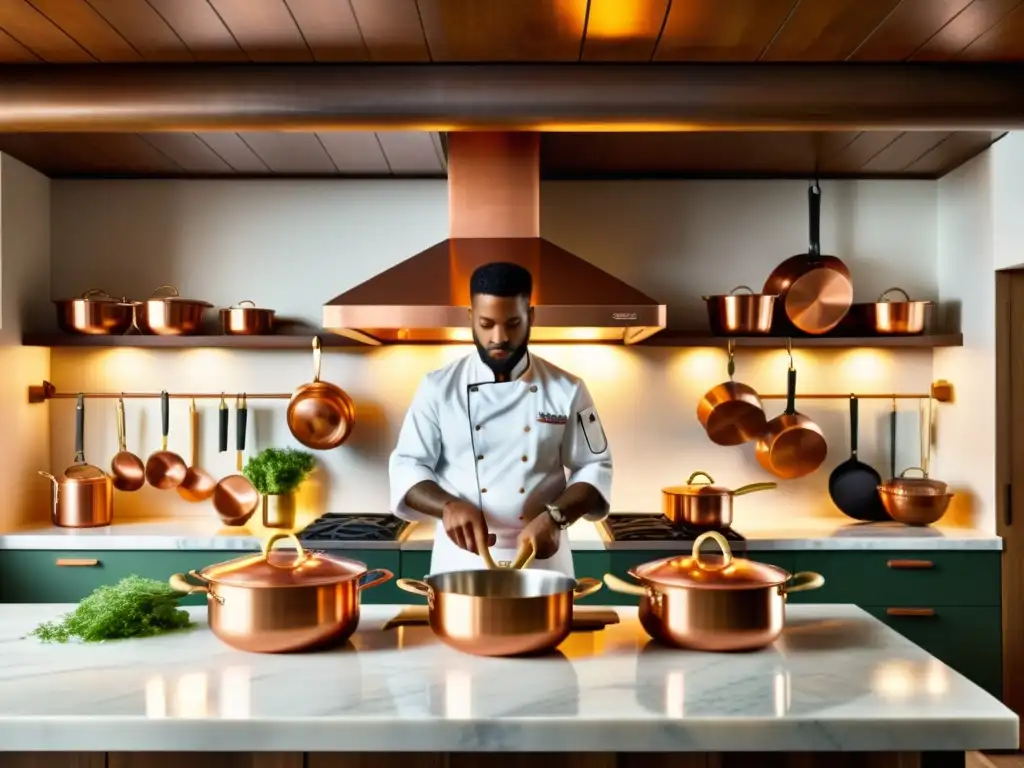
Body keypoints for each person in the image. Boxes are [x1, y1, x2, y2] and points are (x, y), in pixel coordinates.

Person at [388, 261, 613, 576]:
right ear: (470, 318)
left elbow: (595, 465)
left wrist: (557, 517)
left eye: (512, 323)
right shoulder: (438, 388)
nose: (499, 337)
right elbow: (408, 464)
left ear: (530, 317)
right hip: (461, 561)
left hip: (543, 559)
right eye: (486, 323)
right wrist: (447, 507)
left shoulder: (568, 389)